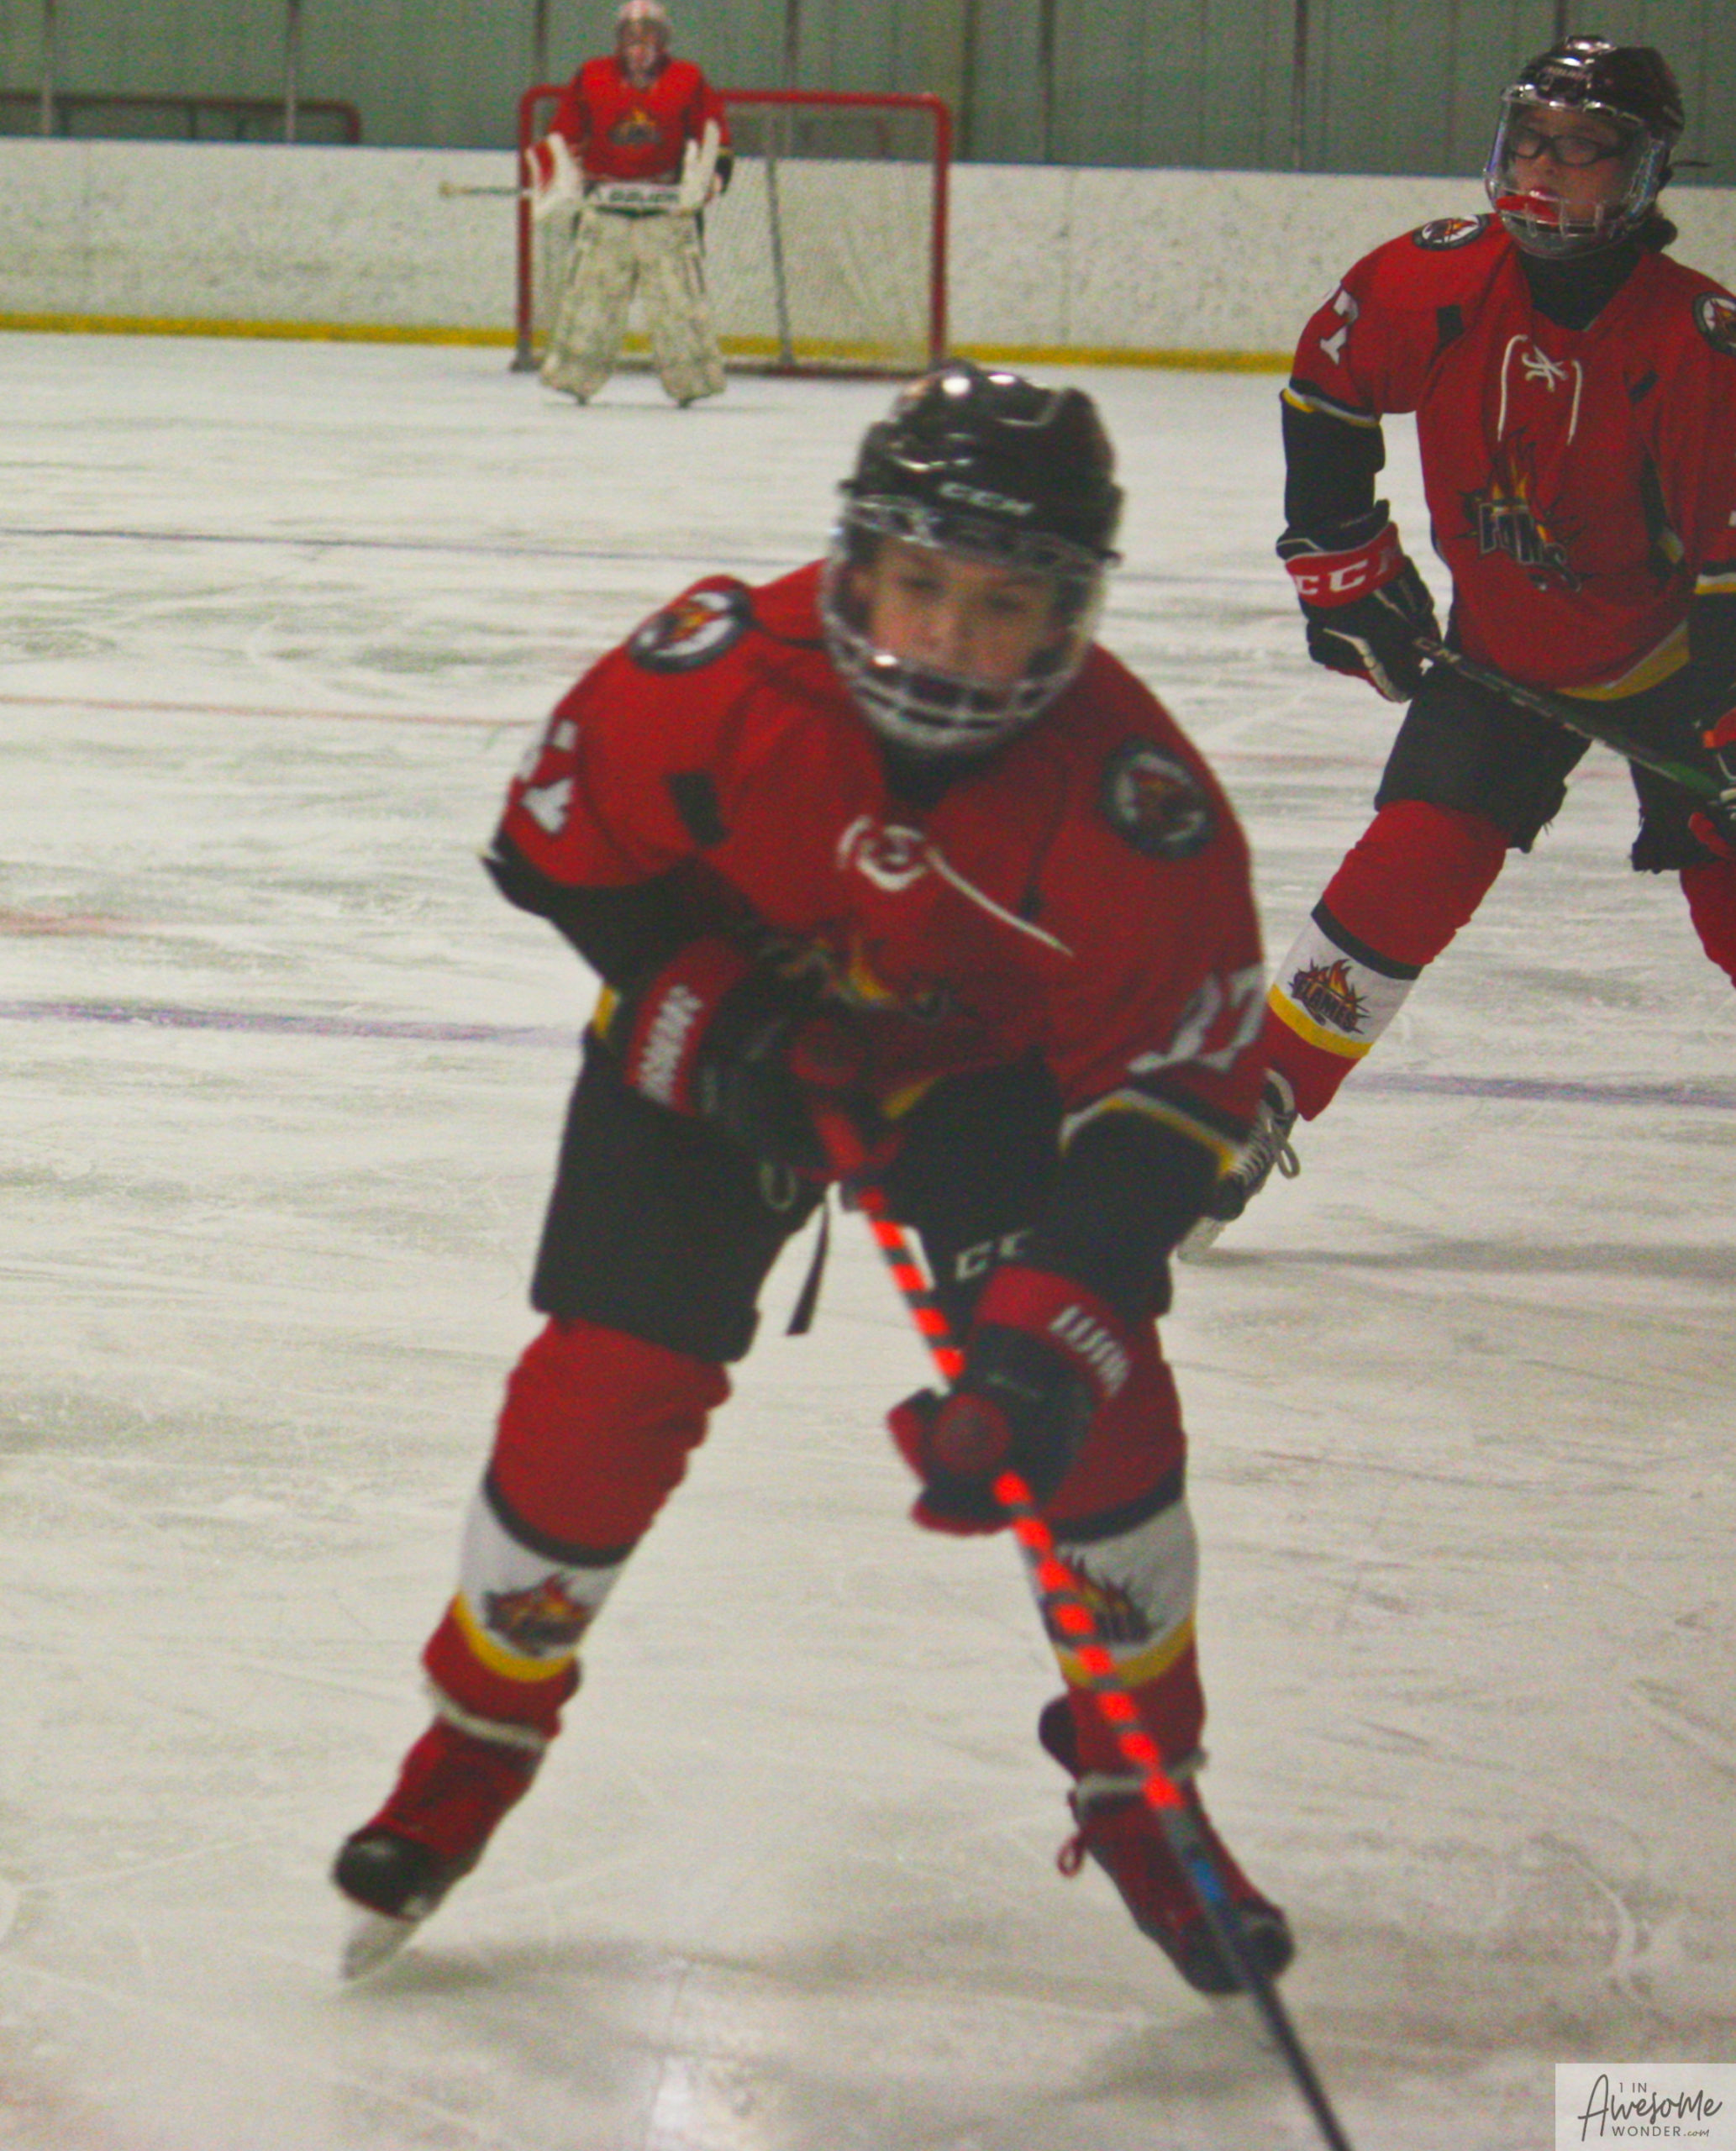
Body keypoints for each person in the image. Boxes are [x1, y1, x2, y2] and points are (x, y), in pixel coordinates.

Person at [331, 362, 1294, 1999]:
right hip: (734, 1033)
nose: (946, 638)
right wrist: (721, 1025)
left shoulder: (1138, 805)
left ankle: (1144, 1786)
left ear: (1068, 614)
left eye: (1001, 605)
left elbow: (1175, 1102)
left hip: (982, 1087)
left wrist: (1049, 1343)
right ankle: (474, 1742)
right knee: (600, 1394)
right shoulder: (717, 669)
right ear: (857, 563)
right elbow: (555, 852)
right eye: (918, 583)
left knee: (1104, 1428)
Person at [1187, 36, 1736, 1247]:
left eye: (1581, 151)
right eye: (1530, 141)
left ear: (1642, 174)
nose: (1542, 170)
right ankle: (1255, 1097)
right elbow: (1326, 390)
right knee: (1414, 855)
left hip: (1678, 665)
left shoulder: (1695, 344)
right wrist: (1342, 567)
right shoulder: (1432, 279)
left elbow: (1729, 575)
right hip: (1505, 650)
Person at [527, 0, 731, 407]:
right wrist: (562, 173)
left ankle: (692, 382)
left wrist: (710, 181)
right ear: (619, 40)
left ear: (664, 40)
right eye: (631, 36)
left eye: (649, 36)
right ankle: (574, 378)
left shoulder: (687, 78)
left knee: (679, 304)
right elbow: (564, 133)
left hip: (666, 215)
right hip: (605, 214)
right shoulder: (592, 75)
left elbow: (715, 137)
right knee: (590, 301)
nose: (639, 46)